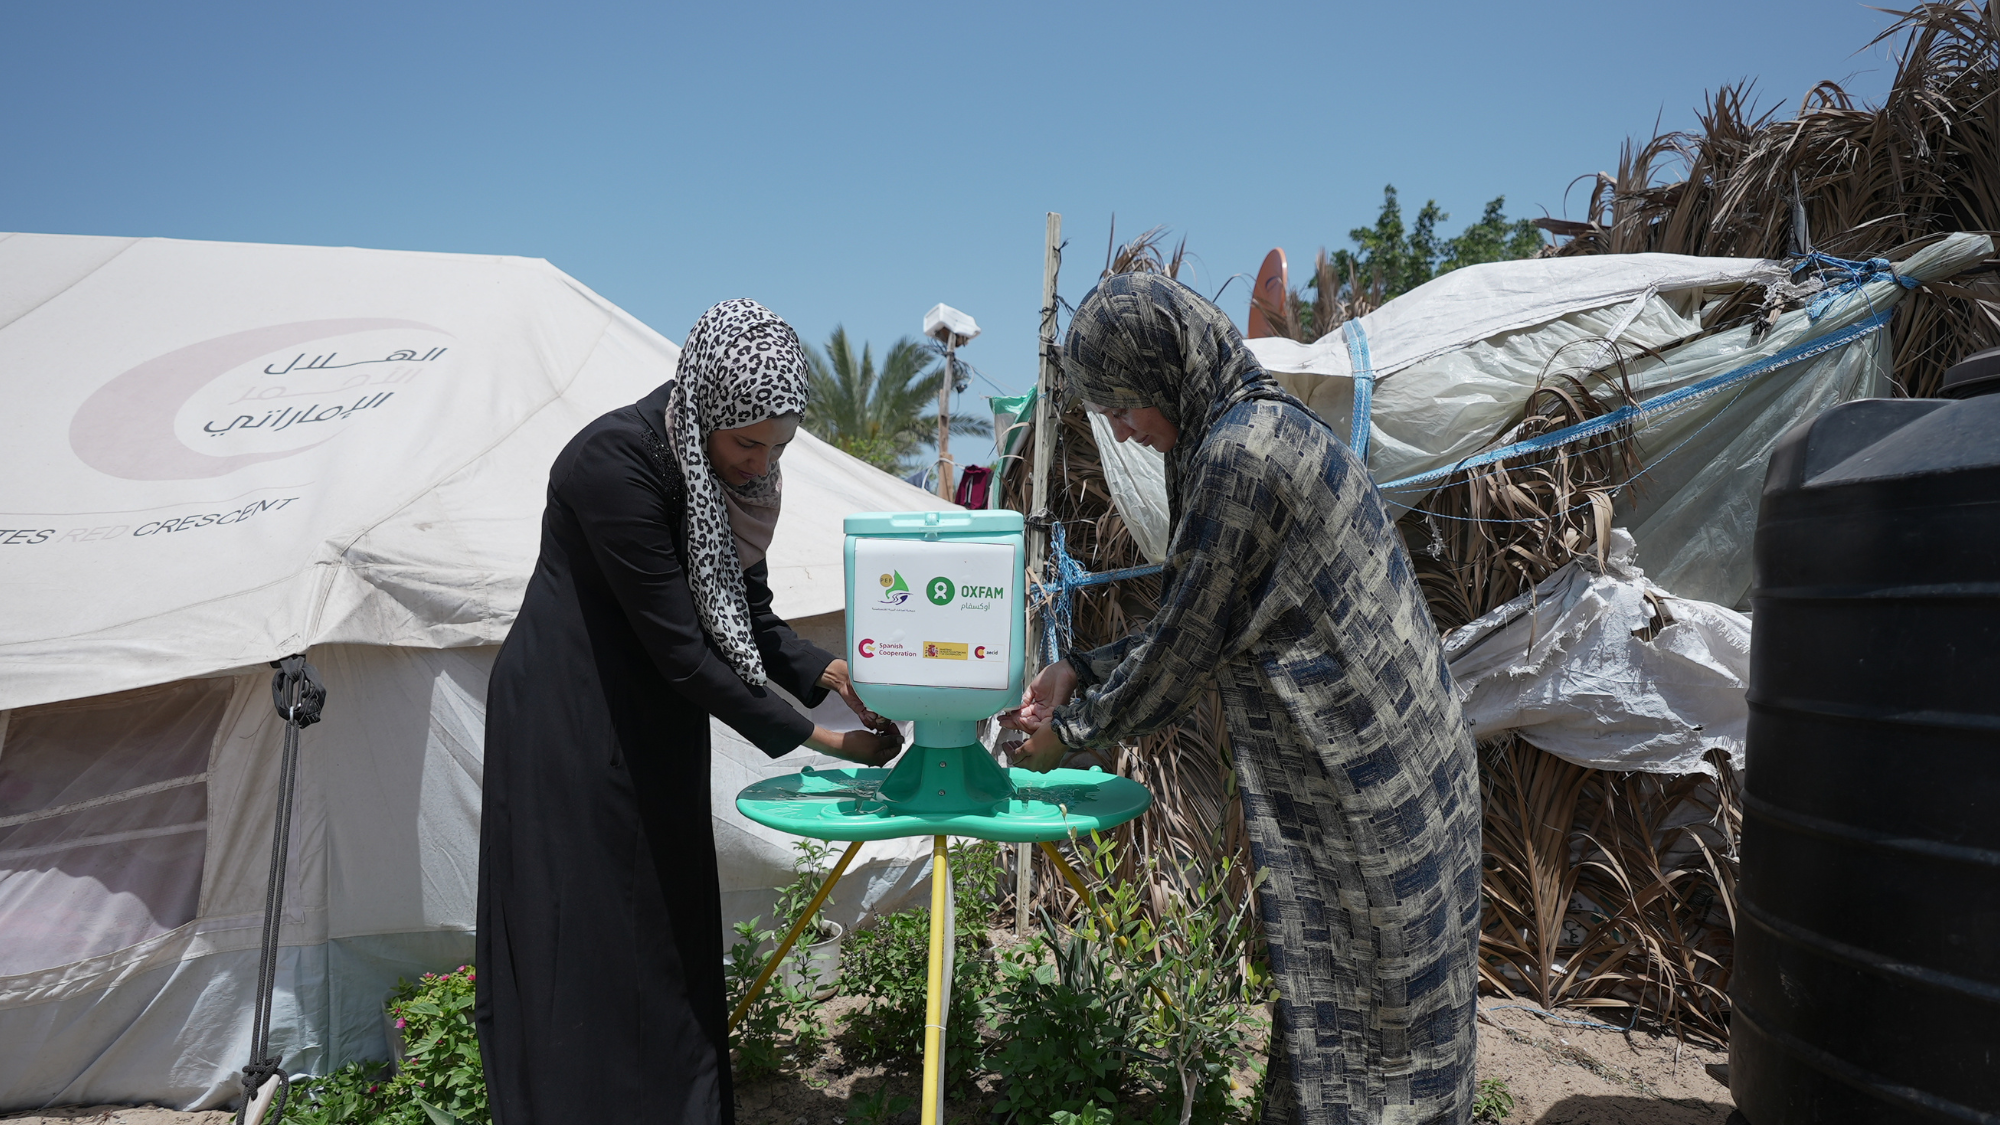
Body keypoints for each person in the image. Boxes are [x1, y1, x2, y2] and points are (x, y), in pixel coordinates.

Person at [1001, 274, 1481, 1125]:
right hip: (1392, 766)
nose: (1121, 428)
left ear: (1164, 368)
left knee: (1379, 1037)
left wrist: (1067, 732)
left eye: (1123, 403)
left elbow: (1186, 646)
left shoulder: (1241, 454)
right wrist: (1076, 664)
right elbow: (1208, 603)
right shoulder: (1252, 426)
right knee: (1339, 1020)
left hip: (1375, 786)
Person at [476, 299, 901, 1125]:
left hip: (659, 717)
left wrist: (830, 671)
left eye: (779, 447)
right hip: (570, 718)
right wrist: (823, 740)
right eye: (747, 444)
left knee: (665, 930)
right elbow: (683, 647)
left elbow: (746, 614)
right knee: (586, 935)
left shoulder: (728, 482)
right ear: (705, 401)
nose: (759, 465)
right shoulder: (616, 465)